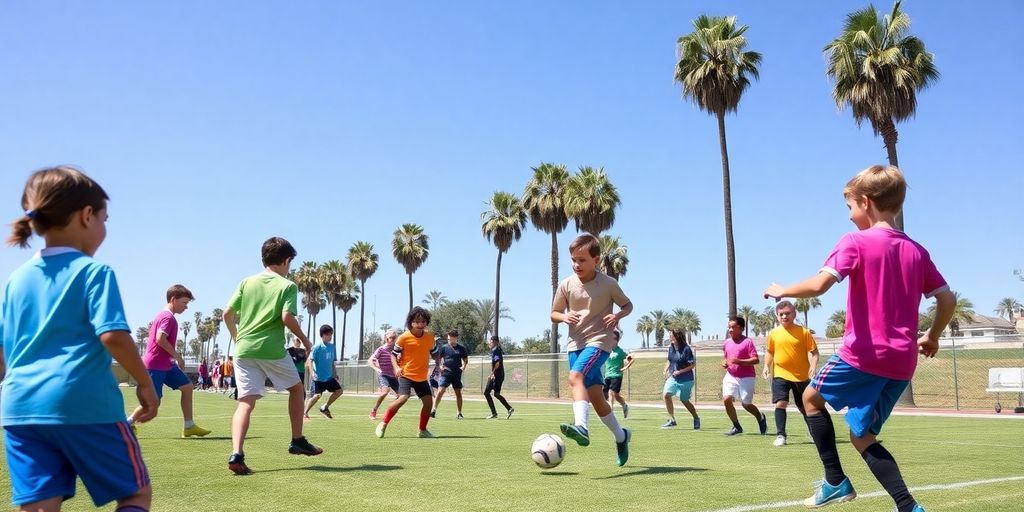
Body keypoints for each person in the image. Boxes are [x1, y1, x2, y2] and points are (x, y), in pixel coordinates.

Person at [764, 164, 954, 512]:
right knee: (861, 434)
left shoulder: (855, 241)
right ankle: (908, 506)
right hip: (901, 363)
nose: (850, 215)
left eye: (850, 206)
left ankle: (835, 481)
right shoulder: (916, 250)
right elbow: (947, 298)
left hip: (862, 355)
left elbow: (820, 284)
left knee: (809, 400)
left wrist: (781, 290)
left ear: (866, 202)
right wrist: (933, 336)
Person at [1, 166, 157, 510]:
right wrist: (144, 382)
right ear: (87, 216)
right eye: (105, 219)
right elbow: (113, 335)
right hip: (84, 404)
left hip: (20, 409)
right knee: (135, 493)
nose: (104, 227)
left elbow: (2, 352)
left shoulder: (16, 280)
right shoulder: (94, 272)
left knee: (40, 506)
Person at [222, 237, 322, 475]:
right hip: (271, 349)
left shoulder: (246, 282)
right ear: (287, 261)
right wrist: (306, 340)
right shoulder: (287, 285)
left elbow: (227, 313)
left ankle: (237, 453)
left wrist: (238, 338)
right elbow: (287, 317)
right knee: (297, 389)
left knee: (245, 402)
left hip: (244, 349)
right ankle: (297, 439)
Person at [551, 233, 634, 466]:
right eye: (573, 259)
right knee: (597, 397)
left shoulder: (608, 284)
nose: (577, 264)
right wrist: (565, 316)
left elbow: (628, 305)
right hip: (575, 345)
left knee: (575, 377)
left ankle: (582, 428)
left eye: (582, 260)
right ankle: (621, 436)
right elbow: (553, 313)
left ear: (596, 260)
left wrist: (617, 315)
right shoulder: (566, 284)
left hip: (600, 341)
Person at [128, 284, 211, 438]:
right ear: (173, 299)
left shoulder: (165, 316)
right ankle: (127, 424)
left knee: (187, 387)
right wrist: (178, 356)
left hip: (166, 365)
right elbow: (160, 339)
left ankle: (189, 426)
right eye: (184, 303)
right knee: (153, 402)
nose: (186, 307)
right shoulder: (167, 317)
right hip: (155, 365)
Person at [375, 307, 441, 439]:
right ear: (411, 322)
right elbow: (393, 355)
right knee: (403, 398)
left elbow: (435, 354)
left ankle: (422, 430)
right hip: (406, 374)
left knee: (428, 403)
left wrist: (439, 364)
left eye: (424, 321)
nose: (421, 324)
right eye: (418, 321)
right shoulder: (404, 338)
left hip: (422, 377)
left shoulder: (429, 337)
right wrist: (396, 368)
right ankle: (383, 423)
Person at [762, 300, 819, 447]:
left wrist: (813, 366)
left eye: (787, 313)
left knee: (804, 406)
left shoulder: (804, 332)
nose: (784, 316)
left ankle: (814, 433)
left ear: (794, 314)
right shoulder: (774, 334)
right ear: (777, 316)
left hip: (801, 376)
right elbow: (770, 352)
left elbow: (814, 352)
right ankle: (781, 435)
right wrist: (766, 366)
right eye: (781, 314)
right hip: (780, 374)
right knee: (781, 403)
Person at [721, 316, 768, 436]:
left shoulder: (747, 342)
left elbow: (756, 360)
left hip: (747, 377)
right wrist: (725, 363)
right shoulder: (726, 342)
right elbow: (726, 357)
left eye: (733, 327)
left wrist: (740, 362)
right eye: (729, 327)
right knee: (726, 399)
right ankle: (736, 426)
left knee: (746, 404)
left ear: (741, 328)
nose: (730, 329)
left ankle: (760, 417)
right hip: (731, 375)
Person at [661, 328, 700, 430]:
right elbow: (670, 360)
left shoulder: (686, 349)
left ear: (677, 336)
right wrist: (665, 370)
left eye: (671, 336)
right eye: (669, 336)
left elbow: (692, 365)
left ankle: (696, 418)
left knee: (684, 400)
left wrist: (680, 371)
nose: (670, 338)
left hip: (686, 379)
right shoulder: (671, 347)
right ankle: (672, 419)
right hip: (673, 378)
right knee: (666, 395)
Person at [303, 325, 343, 420]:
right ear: (323, 335)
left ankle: (325, 407)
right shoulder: (317, 347)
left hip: (329, 377)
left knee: (339, 391)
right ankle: (305, 413)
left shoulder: (332, 347)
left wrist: (335, 373)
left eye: (331, 334)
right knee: (317, 396)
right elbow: (310, 361)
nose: (331, 336)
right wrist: (312, 373)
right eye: (329, 334)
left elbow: (332, 362)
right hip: (318, 378)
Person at [431, 329, 469, 419]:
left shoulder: (462, 349)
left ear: (456, 338)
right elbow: (438, 359)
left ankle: (459, 413)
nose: (449, 340)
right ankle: (433, 410)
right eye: (448, 339)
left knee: (458, 393)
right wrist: (440, 366)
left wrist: (463, 366)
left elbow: (465, 360)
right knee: (441, 390)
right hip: (446, 372)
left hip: (457, 373)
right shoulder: (444, 348)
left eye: (450, 338)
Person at [368, 329, 400, 419]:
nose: (392, 340)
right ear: (386, 338)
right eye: (390, 338)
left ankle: (390, 409)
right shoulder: (381, 349)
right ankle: (374, 410)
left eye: (394, 338)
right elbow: (370, 361)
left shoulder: (397, 350)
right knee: (385, 392)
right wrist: (376, 369)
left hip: (393, 376)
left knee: (402, 396)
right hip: (383, 375)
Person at [602, 330, 634, 418]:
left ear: (616, 340)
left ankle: (610, 411)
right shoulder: (607, 350)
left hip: (617, 375)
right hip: (607, 375)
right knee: (614, 396)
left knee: (611, 392)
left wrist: (626, 367)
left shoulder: (619, 351)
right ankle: (624, 405)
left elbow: (631, 359)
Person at [483, 336, 514, 419]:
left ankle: (501, 411)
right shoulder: (494, 351)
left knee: (492, 393)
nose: (489, 343)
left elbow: (497, 364)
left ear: (495, 342)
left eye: (491, 341)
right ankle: (506, 409)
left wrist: (492, 374)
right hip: (496, 376)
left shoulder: (496, 351)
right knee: (489, 393)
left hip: (498, 376)